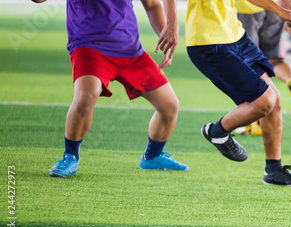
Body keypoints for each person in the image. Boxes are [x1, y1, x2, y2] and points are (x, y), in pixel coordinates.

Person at [35, 0, 189, 177]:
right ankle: (70, 156)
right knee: (87, 95)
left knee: (170, 106)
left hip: (131, 50)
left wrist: (165, 37)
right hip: (89, 46)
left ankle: (152, 156)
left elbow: (152, 5)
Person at [165, 0, 291, 186]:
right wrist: (172, 24)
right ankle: (216, 131)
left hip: (235, 35)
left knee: (274, 99)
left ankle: (273, 170)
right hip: (207, 42)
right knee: (265, 102)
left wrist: (280, 11)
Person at [236, 0, 291, 117]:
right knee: (274, 60)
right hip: (275, 8)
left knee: (248, 65)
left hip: (248, 8)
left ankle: (255, 122)